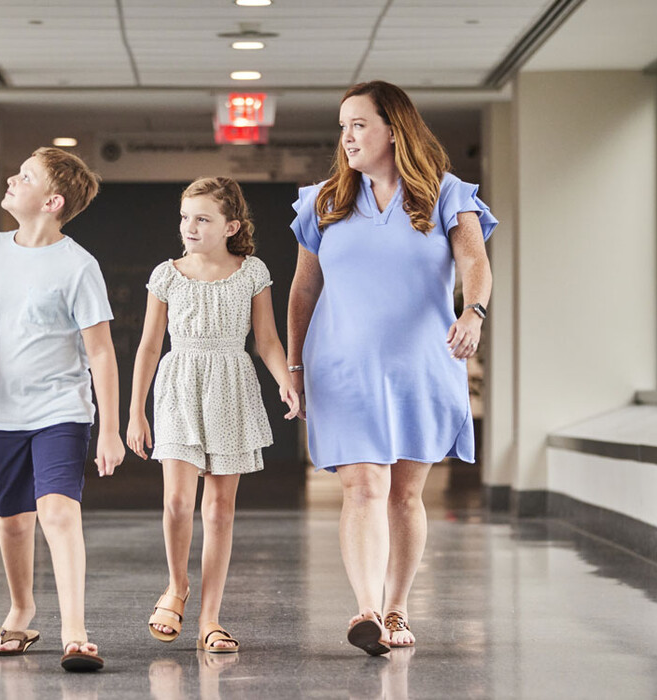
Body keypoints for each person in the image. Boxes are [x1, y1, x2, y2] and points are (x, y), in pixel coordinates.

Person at [286, 81, 496, 655]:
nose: (346, 137)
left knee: (404, 493)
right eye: (342, 126)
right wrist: (294, 365)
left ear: (393, 130)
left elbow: (474, 261)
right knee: (363, 486)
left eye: (358, 124)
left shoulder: (448, 195)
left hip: (421, 365)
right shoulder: (323, 200)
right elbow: (305, 288)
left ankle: (399, 606)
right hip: (343, 367)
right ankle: (368, 611)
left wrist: (472, 312)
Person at [0, 147, 124, 672]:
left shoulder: (78, 266)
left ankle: (75, 631)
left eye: (26, 177)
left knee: (58, 512)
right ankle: (21, 612)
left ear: (52, 201)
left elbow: (101, 352)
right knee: (13, 522)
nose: (12, 179)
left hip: (60, 409)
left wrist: (109, 428)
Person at [126, 177, 299, 654]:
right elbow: (148, 345)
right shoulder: (167, 274)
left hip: (231, 384)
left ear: (231, 226)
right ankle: (176, 587)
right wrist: (135, 412)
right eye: (185, 217)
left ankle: (210, 618)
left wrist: (285, 379)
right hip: (179, 384)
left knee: (219, 510)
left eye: (202, 219)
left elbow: (266, 339)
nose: (190, 227)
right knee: (179, 503)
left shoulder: (252, 272)